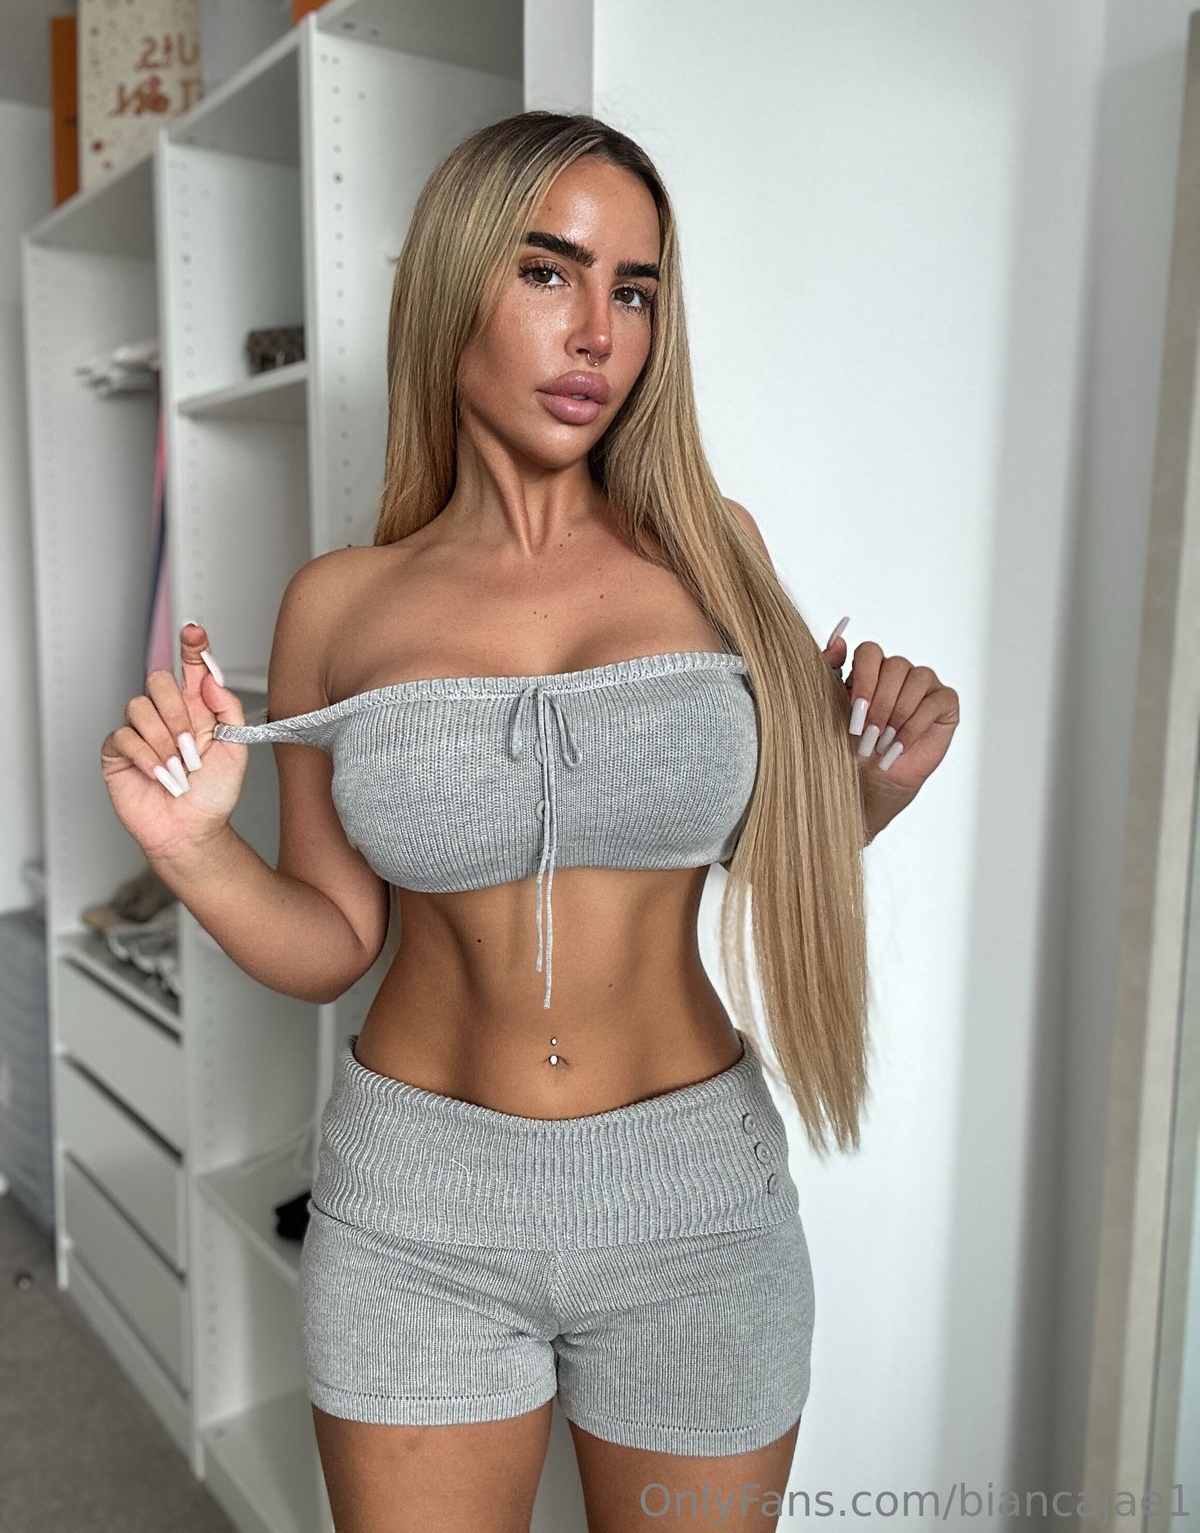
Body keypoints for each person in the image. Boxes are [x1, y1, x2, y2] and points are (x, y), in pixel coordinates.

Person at [101, 110, 959, 1531]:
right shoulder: (338, 604)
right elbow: (332, 941)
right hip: (417, 1211)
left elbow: (760, 852)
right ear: (453, 288)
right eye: (550, 272)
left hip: (694, 1201)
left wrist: (863, 794)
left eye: (636, 290)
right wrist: (191, 847)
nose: (598, 334)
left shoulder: (718, 551)